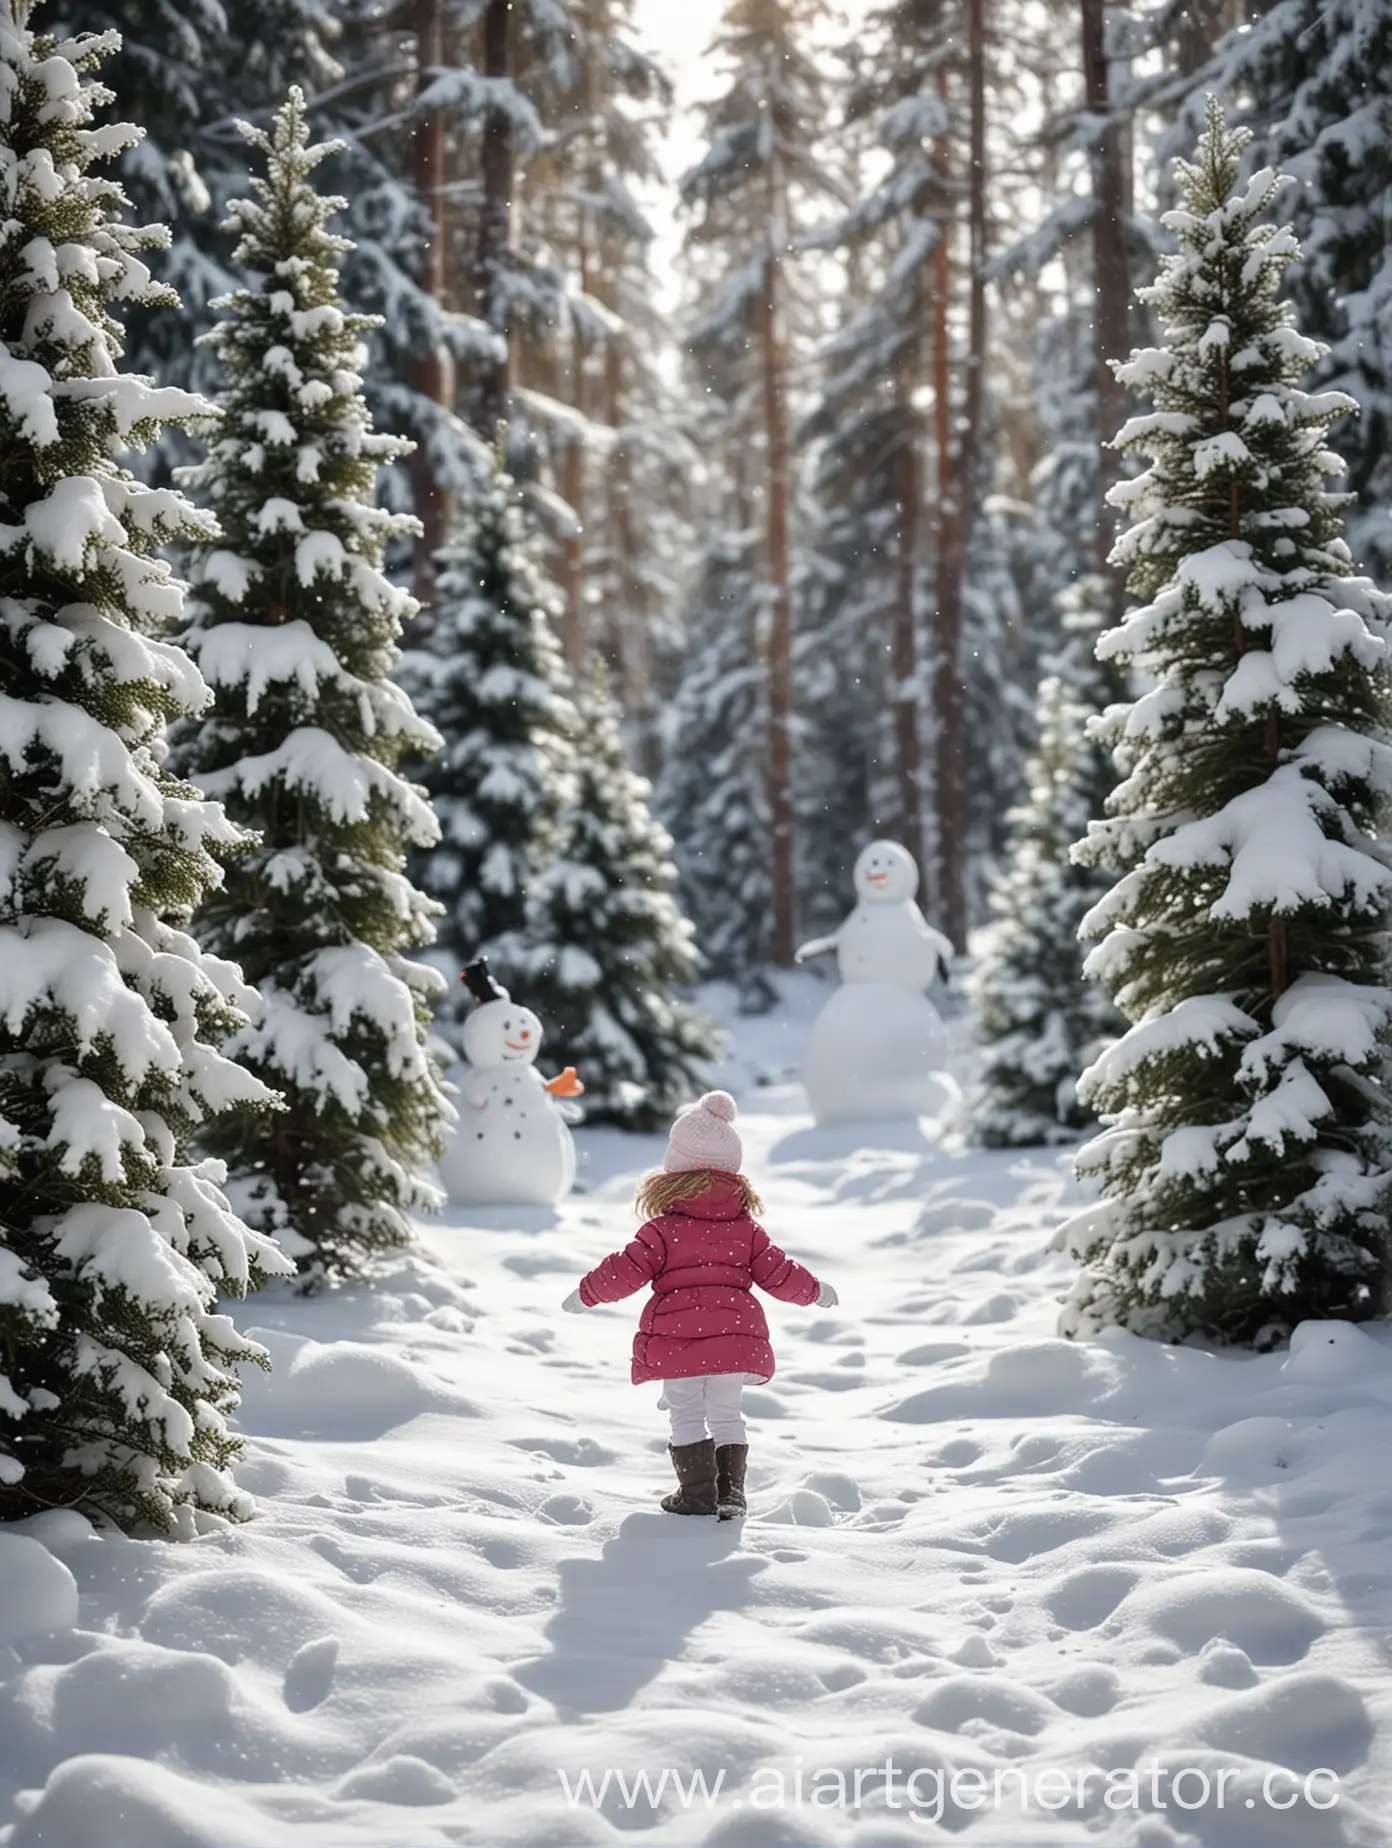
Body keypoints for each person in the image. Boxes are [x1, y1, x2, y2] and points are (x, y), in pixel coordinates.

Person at [561, 1091, 837, 1519]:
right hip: (733, 1343)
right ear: (732, 1172)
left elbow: (625, 1270)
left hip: (677, 1343)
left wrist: (587, 1293)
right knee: (727, 1415)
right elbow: (779, 1272)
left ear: (676, 1168)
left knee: (686, 1413)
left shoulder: (662, 1230)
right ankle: (731, 1495)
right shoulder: (745, 1230)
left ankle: (697, 1495)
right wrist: (814, 1290)